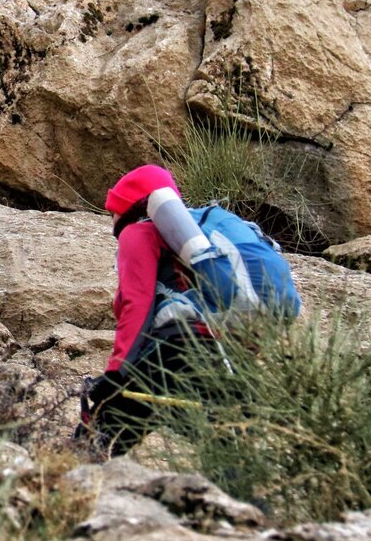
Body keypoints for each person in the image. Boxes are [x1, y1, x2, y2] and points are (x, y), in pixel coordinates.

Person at [78, 164, 299, 456]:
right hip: (228, 356)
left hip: (176, 349)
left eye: (112, 212)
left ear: (128, 208)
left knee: (101, 427)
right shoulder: (213, 231)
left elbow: (137, 302)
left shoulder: (139, 232)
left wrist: (117, 373)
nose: (112, 222)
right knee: (226, 446)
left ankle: (67, 487)